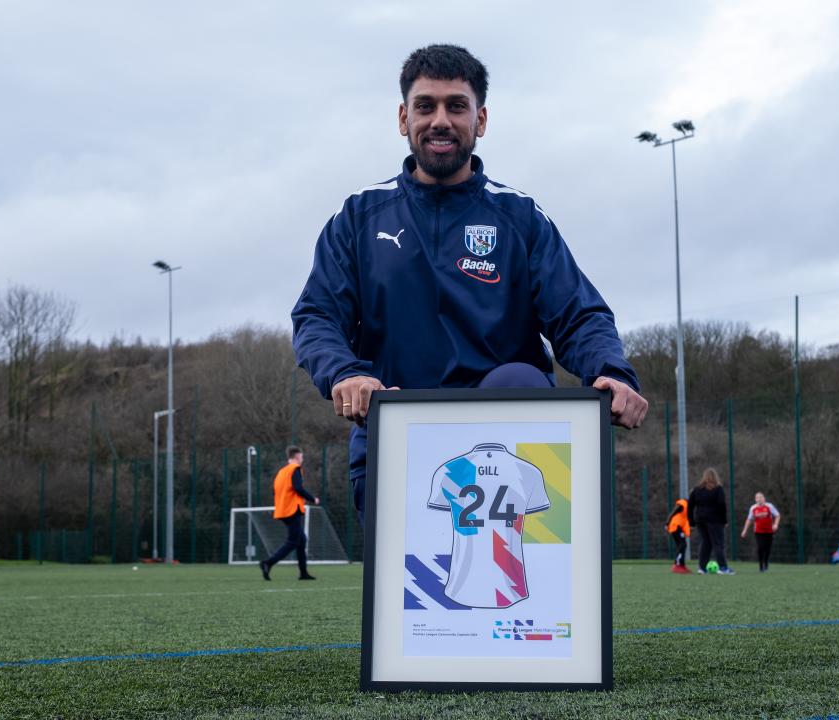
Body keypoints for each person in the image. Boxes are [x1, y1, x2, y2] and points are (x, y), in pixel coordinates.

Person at [291, 44, 648, 523]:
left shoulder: (519, 217)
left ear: (480, 120)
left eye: (456, 106)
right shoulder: (358, 216)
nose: (440, 120)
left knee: (519, 380)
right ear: (403, 118)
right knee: (415, 593)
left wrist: (613, 373)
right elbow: (316, 317)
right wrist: (346, 374)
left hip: (503, 446)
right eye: (425, 106)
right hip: (396, 440)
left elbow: (578, 314)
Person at [259, 446, 319, 581]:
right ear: (297, 457)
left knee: (301, 540)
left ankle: (303, 573)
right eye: (302, 457)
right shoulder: (295, 469)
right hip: (293, 509)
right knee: (293, 541)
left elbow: (275, 491)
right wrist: (312, 499)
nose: (302, 459)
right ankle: (268, 563)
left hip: (282, 510)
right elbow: (298, 487)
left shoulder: (281, 472)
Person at [687, 468, 734, 575]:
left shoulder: (696, 490)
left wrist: (691, 523)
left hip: (700, 520)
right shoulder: (718, 489)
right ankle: (723, 568)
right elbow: (722, 506)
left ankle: (702, 568)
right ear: (715, 477)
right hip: (715, 520)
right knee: (718, 543)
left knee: (705, 543)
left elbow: (690, 507)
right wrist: (724, 520)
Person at [741, 492, 780, 572]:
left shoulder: (769, 506)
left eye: (761, 497)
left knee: (767, 548)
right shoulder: (753, 508)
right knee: (760, 547)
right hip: (758, 531)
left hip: (769, 531)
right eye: (757, 497)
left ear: (764, 498)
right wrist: (744, 530)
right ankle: (761, 566)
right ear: (755, 499)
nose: (759, 499)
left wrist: (775, 524)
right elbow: (749, 519)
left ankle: (766, 562)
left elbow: (777, 515)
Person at [664, 497, 691, 573]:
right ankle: (678, 564)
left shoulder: (689, 506)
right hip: (675, 526)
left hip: (678, 527)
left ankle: (681, 565)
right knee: (682, 544)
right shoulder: (683, 503)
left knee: (681, 545)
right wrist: (667, 523)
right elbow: (673, 512)